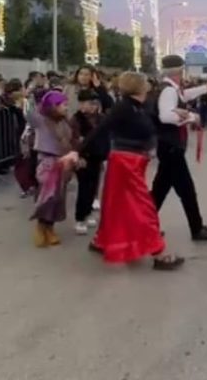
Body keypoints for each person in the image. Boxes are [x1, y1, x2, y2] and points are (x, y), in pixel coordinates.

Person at [82, 72, 184, 270]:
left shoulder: (140, 106)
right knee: (143, 207)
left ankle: (102, 240)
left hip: (132, 161)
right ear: (138, 86)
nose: (148, 85)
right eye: (145, 82)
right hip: (125, 161)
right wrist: (77, 152)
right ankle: (158, 253)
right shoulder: (124, 107)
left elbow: (155, 122)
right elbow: (100, 129)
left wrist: (180, 114)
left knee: (116, 203)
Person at [151, 55, 207, 241]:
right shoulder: (169, 92)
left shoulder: (172, 89)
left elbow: (186, 95)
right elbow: (165, 116)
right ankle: (197, 229)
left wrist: (206, 87)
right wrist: (191, 117)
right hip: (171, 147)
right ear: (178, 71)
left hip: (169, 146)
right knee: (186, 190)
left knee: (159, 192)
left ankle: (142, 225)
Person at [28, 90, 77, 247]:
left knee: (58, 198)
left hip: (63, 161)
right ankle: (41, 227)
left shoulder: (64, 121)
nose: (66, 108)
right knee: (47, 196)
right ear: (53, 106)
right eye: (63, 105)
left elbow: (71, 139)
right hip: (47, 162)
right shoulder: (41, 120)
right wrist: (30, 96)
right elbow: (28, 113)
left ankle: (50, 227)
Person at [71, 90, 107, 235]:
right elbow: (74, 140)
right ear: (81, 104)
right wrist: (78, 156)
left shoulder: (101, 118)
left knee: (93, 186)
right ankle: (80, 218)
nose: (92, 106)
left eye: (95, 103)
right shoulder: (76, 120)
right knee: (84, 187)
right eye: (89, 103)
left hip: (97, 156)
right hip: (82, 157)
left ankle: (89, 212)